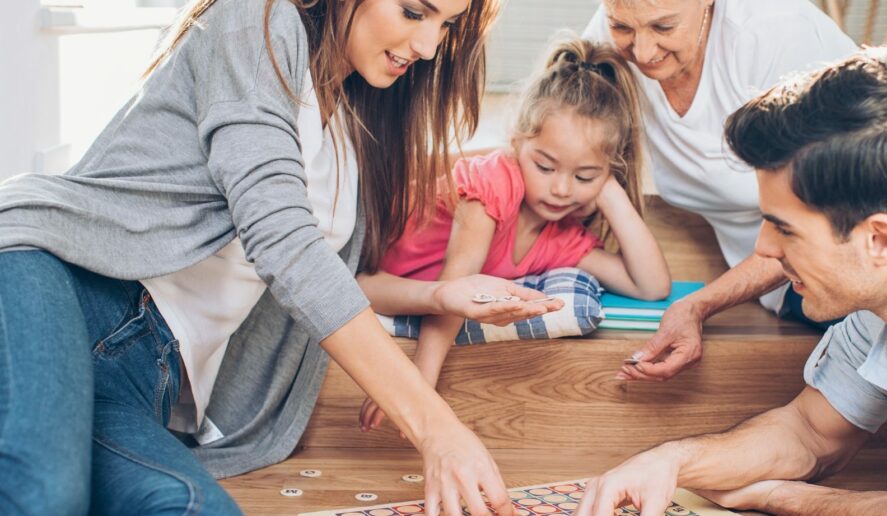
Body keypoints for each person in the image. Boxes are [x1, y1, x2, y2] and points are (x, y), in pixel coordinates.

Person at [0, 0, 563, 514]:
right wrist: (436, 428)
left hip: (145, 373)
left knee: (198, 509)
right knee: (44, 492)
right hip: (54, 284)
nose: (428, 46)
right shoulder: (255, 23)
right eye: (415, 11)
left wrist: (437, 294)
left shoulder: (348, 128)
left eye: (448, 25)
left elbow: (329, 281)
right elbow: (281, 240)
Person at [575, 47, 887, 516]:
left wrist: (781, 496)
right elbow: (810, 433)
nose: (765, 250)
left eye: (785, 228)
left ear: (880, 240)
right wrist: (669, 462)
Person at [581, 0, 887, 380]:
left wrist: (700, 303)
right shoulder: (605, 36)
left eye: (664, 27)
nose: (641, 52)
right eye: (623, 27)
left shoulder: (771, 28)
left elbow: (833, 204)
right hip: (799, 255)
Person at [358, 38, 672, 430]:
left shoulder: (561, 236)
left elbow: (652, 286)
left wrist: (611, 192)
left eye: (584, 175)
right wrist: (418, 385)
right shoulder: (496, 182)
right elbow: (458, 283)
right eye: (545, 166)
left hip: (416, 294)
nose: (561, 189)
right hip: (367, 280)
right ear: (517, 144)